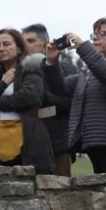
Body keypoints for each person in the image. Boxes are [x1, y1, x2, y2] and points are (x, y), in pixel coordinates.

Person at [44, 17, 106, 184]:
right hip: (95, 145)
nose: (96, 38)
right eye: (94, 34)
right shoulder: (88, 72)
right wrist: (51, 61)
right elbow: (60, 88)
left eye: (103, 34)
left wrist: (83, 46)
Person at [0, 29, 54, 173]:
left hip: (27, 140)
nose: (1, 49)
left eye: (6, 44)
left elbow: (30, 96)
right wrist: (2, 84)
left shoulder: (30, 69)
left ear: (19, 48)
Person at [20, 23, 74, 176]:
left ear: (45, 44)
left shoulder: (63, 66)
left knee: (60, 192)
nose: (25, 46)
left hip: (57, 143)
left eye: (30, 41)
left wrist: (40, 95)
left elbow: (71, 103)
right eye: (22, 42)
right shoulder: (19, 71)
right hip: (28, 143)